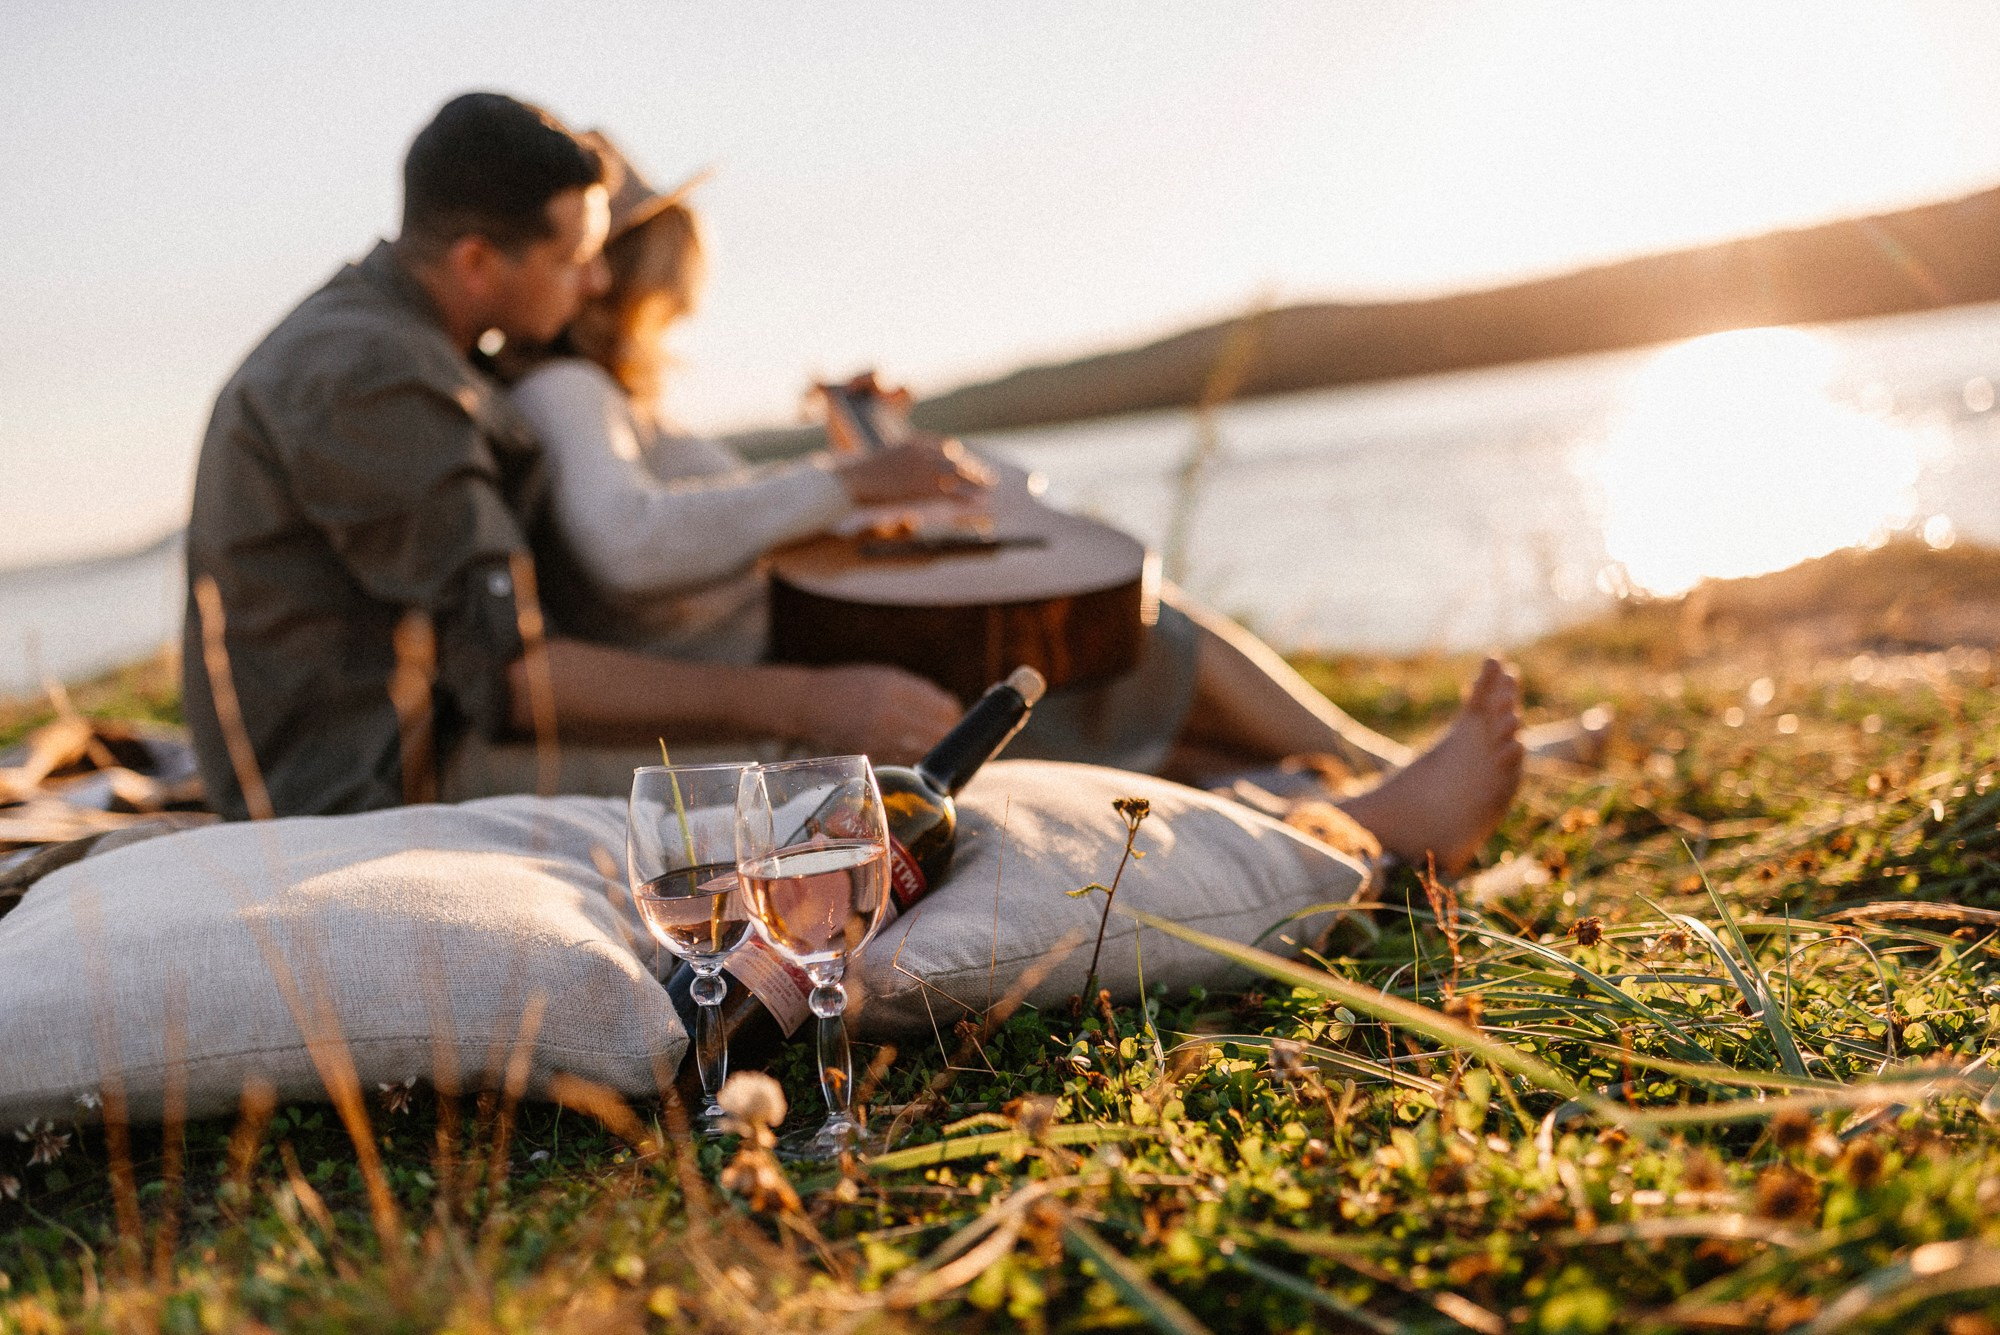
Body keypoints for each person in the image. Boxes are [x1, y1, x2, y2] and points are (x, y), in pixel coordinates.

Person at [504, 132, 1525, 873]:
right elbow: (627, 543)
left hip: (794, 642)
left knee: (1157, 717)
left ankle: (1363, 793)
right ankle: (1377, 791)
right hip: (781, 665)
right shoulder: (566, 389)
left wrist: (869, 460)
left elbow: (731, 522)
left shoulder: (615, 401)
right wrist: (851, 480)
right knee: (1143, 645)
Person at [182, 93, 981, 821]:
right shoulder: (373, 377)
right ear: (475, 262)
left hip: (427, 736)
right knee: (814, 785)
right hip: (372, 783)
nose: (597, 281)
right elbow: (517, 679)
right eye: (574, 259)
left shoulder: (402, 338)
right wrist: (808, 702)